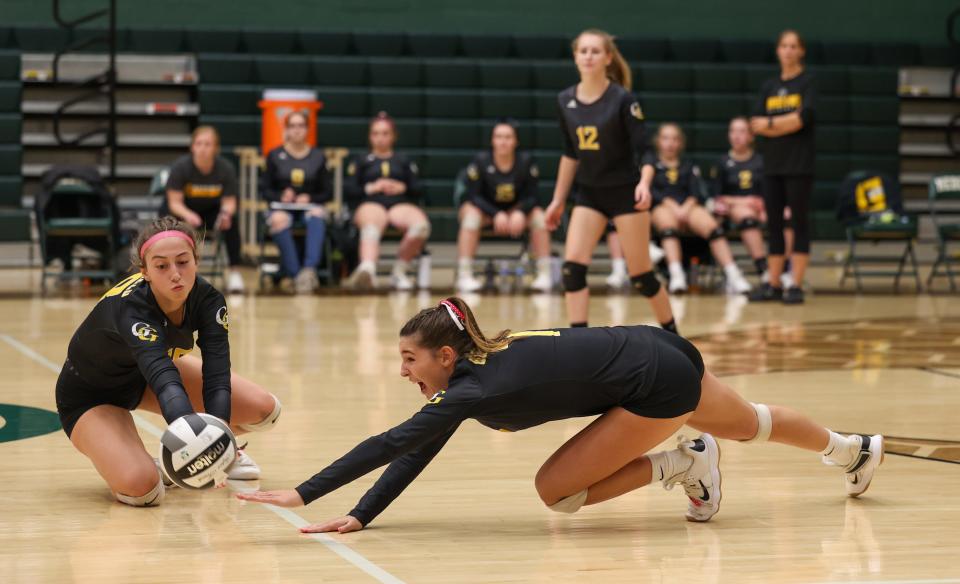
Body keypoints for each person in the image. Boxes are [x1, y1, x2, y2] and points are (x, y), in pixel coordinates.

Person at [236, 297, 884, 533]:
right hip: (653, 348)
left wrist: (303, 491)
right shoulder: (469, 375)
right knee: (753, 423)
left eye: (409, 359)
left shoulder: (470, 392)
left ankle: (683, 460)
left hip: (651, 382)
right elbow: (417, 446)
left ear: (442, 354)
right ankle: (851, 450)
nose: (402, 371)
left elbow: (391, 440)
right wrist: (363, 511)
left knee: (557, 495)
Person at [55, 217, 283, 506]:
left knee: (265, 410)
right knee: (143, 490)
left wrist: (219, 444)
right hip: (91, 395)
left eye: (183, 262)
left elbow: (217, 374)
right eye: (162, 266)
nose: (175, 274)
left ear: (196, 262)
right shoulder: (130, 308)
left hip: (141, 377)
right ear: (145, 271)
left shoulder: (209, 299)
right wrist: (194, 444)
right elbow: (166, 382)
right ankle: (145, 461)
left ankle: (219, 451)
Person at [543, 29, 676, 331]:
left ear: (607, 58)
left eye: (594, 51)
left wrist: (644, 183)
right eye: (583, 51)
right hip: (590, 194)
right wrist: (558, 200)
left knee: (641, 276)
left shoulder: (622, 99)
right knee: (572, 270)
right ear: (575, 57)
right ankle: (579, 343)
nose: (588, 56)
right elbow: (570, 155)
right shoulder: (565, 100)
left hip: (625, 194)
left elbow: (646, 153)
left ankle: (674, 335)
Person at [640, 123, 752, 295]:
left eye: (675, 139)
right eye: (666, 138)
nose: (670, 143)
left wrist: (686, 207)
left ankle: (733, 274)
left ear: (680, 143)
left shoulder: (688, 165)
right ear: (658, 141)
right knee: (668, 226)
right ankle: (677, 275)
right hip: (662, 206)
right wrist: (672, 206)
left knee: (713, 228)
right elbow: (652, 192)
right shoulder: (651, 165)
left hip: (688, 205)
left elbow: (696, 192)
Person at [749, 29, 817, 305]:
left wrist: (772, 125)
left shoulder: (808, 83)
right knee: (774, 224)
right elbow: (756, 124)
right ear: (778, 51)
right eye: (784, 46)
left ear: (801, 51)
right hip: (773, 165)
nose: (788, 51)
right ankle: (774, 282)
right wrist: (784, 124)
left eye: (793, 46)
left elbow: (804, 119)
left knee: (798, 222)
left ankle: (795, 284)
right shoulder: (769, 86)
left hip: (799, 164)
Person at [456, 120, 552, 293]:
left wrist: (520, 212)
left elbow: (534, 196)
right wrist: (496, 213)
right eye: (499, 137)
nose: (503, 141)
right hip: (485, 209)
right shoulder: (481, 161)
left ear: (516, 141)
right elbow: (473, 196)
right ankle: (465, 274)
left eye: (508, 137)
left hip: (515, 210)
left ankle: (545, 273)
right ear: (492, 140)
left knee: (539, 217)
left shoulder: (526, 161)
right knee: (470, 217)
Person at [344, 112, 431, 291]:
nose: (380, 138)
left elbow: (419, 189)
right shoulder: (361, 161)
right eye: (376, 134)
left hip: (398, 205)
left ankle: (399, 272)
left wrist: (402, 187)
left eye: (385, 133)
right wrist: (371, 187)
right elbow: (349, 190)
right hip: (371, 204)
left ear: (393, 136)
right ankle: (367, 271)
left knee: (421, 226)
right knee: (372, 224)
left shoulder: (403, 160)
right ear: (370, 136)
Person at [711, 116, 795, 285]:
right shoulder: (722, 163)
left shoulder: (761, 161)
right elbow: (717, 197)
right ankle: (763, 269)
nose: (736, 136)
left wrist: (766, 203)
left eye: (742, 131)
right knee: (747, 216)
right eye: (733, 131)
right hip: (735, 209)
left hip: (762, 206)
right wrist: (743, 201)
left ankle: (784, 269)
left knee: (785, 217)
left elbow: (773, 191)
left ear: (751, 136)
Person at [163, 126, 245, 294]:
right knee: (169, 222)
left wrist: (226, 214)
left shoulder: (225, 168)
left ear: (216, 148)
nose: (203, 148)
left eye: (208, 144)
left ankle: (235, 272)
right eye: (199, 143)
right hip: (183, 210)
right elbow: (174, 202)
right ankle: (175, 273)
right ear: (192, 147)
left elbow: (230, 202)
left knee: (231, 223)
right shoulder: (181, 167)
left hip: (211, 210)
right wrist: (187, 215)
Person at [261, 111, 331, 294]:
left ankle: (309, 270)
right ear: (287, 130)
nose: (297, 130)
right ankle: (295, 274)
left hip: (309, 206)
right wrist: (281, 196)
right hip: (283, 207)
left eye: (301, 126)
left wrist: (310, 198)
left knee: (317, 214)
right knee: (278, 220)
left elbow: (327, 192)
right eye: (293, 126)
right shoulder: (275, 155)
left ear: (307, 129)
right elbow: (265, 190)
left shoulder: (318, 156)